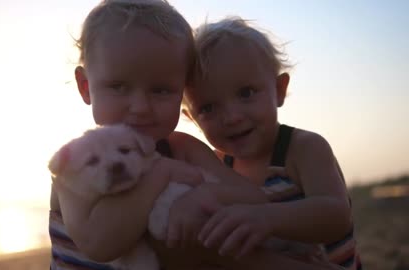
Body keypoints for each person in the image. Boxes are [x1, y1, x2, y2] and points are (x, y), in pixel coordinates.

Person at [49, 1, 340, 270]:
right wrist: (159, 176)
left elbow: (252, 197)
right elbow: (100, 244)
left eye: (161, 90)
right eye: (118, 86)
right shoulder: (75, 163)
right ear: (86, 87)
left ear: (182, 91)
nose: (140, 108)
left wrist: (202, 195)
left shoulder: (182, 148)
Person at [177, 16, 362, 270]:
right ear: (191, 118)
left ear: (279, 89)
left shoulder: (303, 148)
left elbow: (336, 216)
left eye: (246, 93)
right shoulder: (218, 167)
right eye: (208, 108)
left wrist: (266, 218)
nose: (232, 117)